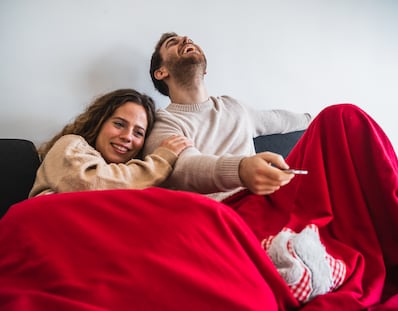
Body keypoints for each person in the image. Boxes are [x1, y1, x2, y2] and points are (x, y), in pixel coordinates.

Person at [144, 32, 398, 308]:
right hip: (231, 213)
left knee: (341, 117)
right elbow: (183, 167)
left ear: (205, 68)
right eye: (172, 44)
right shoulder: (163, 123)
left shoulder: (233, 106)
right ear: (161, 71)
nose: (184, 39)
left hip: (273, 195)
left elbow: (282, 120)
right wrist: (241, 169)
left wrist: (314, 121)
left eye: (187, 38)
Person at [29, 88, 192, 197]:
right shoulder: (70, 144)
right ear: (99, 122)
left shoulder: (135, 181)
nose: (128, 137)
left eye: (138, 133)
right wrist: (161, 160)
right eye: (119, 124)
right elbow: (89, 184)